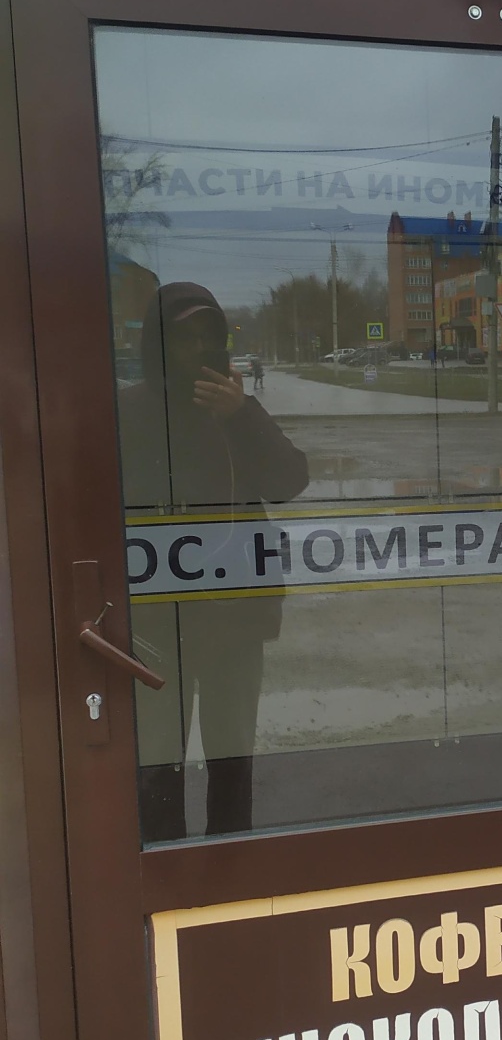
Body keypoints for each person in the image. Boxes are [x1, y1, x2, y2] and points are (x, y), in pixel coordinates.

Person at [118, 283, 308, 840]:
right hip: (156, 625)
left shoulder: (235, 408)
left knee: (231, 761)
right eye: (185, 338)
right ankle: (166, 870)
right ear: (159, 344)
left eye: (209, 336)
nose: (199, 348)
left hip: (234, 619)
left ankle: (229, 867)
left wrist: (241, 416)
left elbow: (288, 482)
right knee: (157, 765)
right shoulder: (127, 412)